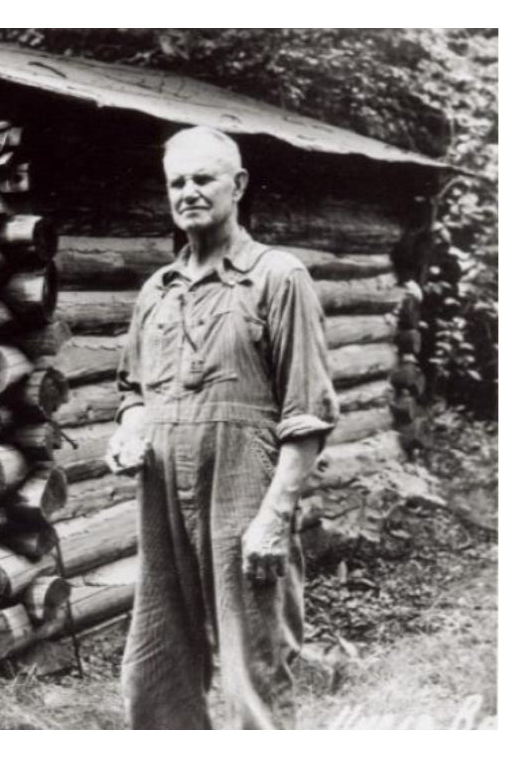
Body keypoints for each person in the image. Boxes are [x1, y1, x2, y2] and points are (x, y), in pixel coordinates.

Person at [106, 126, 340, 729]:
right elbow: (133, 393)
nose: (188, 192)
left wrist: (273, 515)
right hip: (160, 497)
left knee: (253, 669)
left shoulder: (278, 277)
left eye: (202, 178)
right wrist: (129, 433)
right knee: (153, 673)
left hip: (244, 491)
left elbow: (307, 413)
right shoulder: (156, 292)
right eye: (176, 182)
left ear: (237, 186)